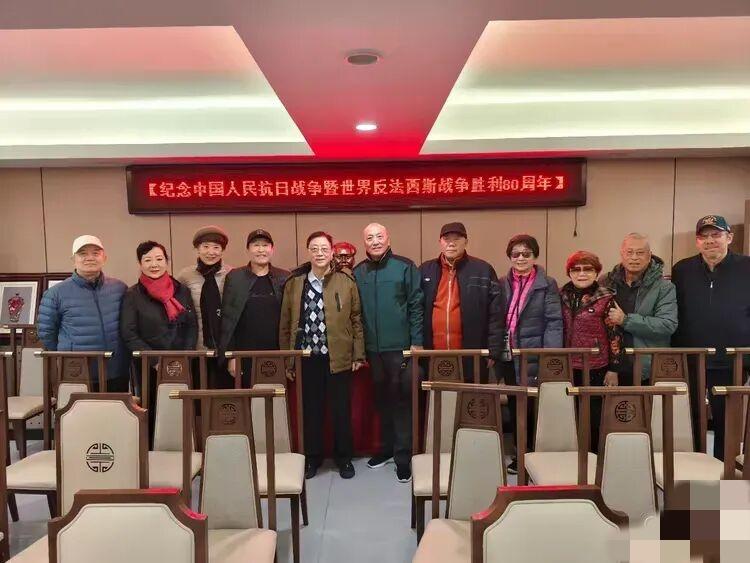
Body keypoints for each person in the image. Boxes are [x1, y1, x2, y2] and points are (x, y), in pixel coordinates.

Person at [279, 231, 365, 480]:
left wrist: (358, 354)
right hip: (307, 359)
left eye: (324, 249)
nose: (319, 253)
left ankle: (344, 459)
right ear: (308, 252)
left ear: (332, 253)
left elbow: (356, 319)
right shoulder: (296, 283)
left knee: (341, 411)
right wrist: (288, 359)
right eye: (314, 249)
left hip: (338, 357)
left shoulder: (346, 281)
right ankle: (312, 459)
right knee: (311, 412)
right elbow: (285, 324)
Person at [672, 215, 750, 460]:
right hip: (691, 359)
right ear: (697, 242)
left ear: (729, 237)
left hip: (732, 360)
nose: (709, 241)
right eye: (703, 236)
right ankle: (696, 471)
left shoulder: (747, 267)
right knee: (691, 419)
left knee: (727, 421)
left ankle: (724, 474)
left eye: (716, 235)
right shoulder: (682, 269)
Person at [353, 223, 423, 483]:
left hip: (401, 348)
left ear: (388, 239)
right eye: (369, 237)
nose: (375, 241)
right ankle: (385, 449)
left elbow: (416, 304)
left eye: (379, 236)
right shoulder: (358, 271)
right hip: (373, 350)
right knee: (381, 402)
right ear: (364, 243)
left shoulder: (404, 266)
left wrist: (417, 342)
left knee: (402, 402)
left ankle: (403, 458)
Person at [498, 234, 562, 473]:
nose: (521, 258)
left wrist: (550, 356)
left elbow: (554, 321)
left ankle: (534, 456)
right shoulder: (502, 282)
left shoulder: (547, 284)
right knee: (515, 403)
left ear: (535, 256)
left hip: (534, 354)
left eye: (526, 253)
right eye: (516, 254)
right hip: (508, 354)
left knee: (534, 405)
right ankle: (519, 453)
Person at [120, 241, 198, 438]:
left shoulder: (182, 290)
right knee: (153, 411)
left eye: (159, 259)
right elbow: (129, 333)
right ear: (140, 264)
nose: (154, 264)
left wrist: (186, 356)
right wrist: (155, 361)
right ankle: (151, 452)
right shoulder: (132, 294)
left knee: (182, 410)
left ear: (167, 261)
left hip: (181, 364)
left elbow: (191, 326)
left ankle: (185, 450)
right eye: (147, 260)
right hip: (149, 366)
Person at [37, 235, 130, 391]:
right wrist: (69, 354)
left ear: (104, 258)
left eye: (95, 253)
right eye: (83, 254)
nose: (90, 258)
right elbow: (46, 333)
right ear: (73, 259)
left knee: (116, 407)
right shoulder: (55, 293)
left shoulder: (119, 288)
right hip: (77, 372)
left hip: (116, 369)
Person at [419, 222, 504, 382]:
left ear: (466, 242)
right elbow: (416, 310)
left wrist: (494, 350)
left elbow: (496, 314)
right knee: (436, 395)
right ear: (440, 242)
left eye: (457, 238)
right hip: (433, 354)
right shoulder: (425, 270)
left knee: (470, 395)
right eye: (446, 239)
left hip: (472, 354)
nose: (451, 243)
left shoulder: (483, 270)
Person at [560, 250, 623, 453]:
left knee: (594, 416)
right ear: (569, 273)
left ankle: (593, 456)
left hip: (597, 365)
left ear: (596, 273)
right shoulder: (560, 295)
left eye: (588, 269)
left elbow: (615, 335)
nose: (582, 274)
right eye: (576, 269)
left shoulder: (606, 298)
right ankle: (573, 456)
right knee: (570, 415)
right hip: (568, 366)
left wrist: (614, 368)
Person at [601, 233, 677, 383]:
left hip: (647, 367)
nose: (634, 257)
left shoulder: (664, 287)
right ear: (622, 254)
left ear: (649, 256)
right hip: (609, 367)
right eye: (629, 252)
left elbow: (667, 325)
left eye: (640, 253)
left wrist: (625, 320)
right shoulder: (606, 282)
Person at [220, 229, 290, 388]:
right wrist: (231, 356)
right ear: (248, 250)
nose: (261, 250)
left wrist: (289, 358)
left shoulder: (284, 277)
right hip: (244, 352)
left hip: (276, 351)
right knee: (247, 397)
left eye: (265, 245)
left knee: (276, 395)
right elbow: (228, 320)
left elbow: (290, 319)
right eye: (256, 245)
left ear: (272, 249)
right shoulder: (235, 277)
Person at [176, 226, 232, 387]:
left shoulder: (232, 274)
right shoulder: (185, 276)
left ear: (222, 250)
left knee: (225, 395)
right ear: (197, 249)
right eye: (205, 246)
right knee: (198, 393)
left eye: (216, 247)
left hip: (225, 348)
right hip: (196, 348)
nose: (210, 252)